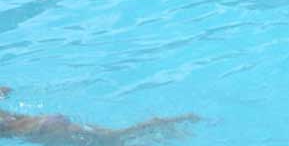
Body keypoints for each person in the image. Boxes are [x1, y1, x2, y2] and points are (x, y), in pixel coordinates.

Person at [0, 85, 199, 146]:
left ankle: (156, 125)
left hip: (43, 130)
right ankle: (160, 125)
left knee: (117, 139)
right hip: (43, 120)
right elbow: (5, 90)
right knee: (117, 136)